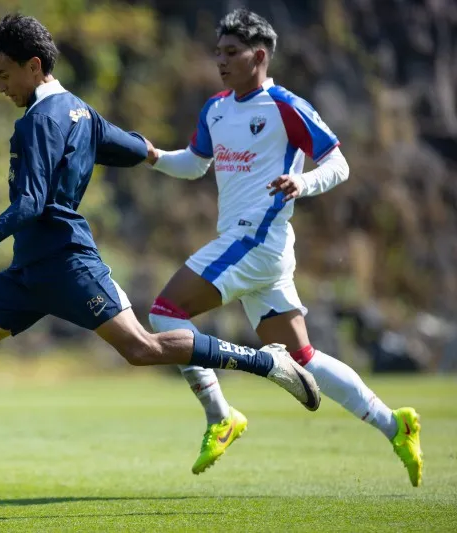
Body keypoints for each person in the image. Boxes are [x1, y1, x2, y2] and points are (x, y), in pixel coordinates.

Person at [0, 13, 319, 475]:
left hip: (68, 265)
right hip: (29, 273)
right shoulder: (81, 112)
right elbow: (132, 148)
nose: (0, 87)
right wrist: (153, 151)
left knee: (142, 348)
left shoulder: (39, 121)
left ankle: (266, 361)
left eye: (3, 75)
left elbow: (31, 205)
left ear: (33, 66)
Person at [146, 8, 422, 486]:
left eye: (232, 52)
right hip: (259, 249)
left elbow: (338, 164)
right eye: (218, 52)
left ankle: (220, 415)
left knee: (165, 313)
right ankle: (394, 424)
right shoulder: (216, 108)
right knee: (303, 358)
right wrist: (152, 156)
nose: (221, 61)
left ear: (259, 56)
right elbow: (193, 163)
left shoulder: (285, 106)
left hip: (254, 240)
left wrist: (302, 181)